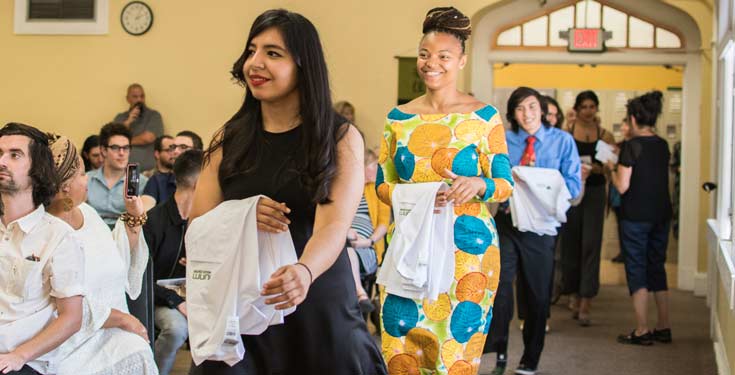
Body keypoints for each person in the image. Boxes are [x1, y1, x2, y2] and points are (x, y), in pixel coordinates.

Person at [188, 9, 385, 374]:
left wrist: (304, 272)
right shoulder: (227, 140)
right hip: (246, 300)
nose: (255, 63)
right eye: (251, 50)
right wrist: (242, 214)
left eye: (272, 53)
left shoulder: (338, 139)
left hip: (316, 292)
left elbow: (332, 226)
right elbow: (199, 221)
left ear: (303, 65)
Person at [376, 7, 513, 375]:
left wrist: (479, 184)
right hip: (409, 243)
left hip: (467, 250)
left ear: (461, 61)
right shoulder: (398, 119)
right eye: (424, 55)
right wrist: (417, 195)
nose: (431, 63)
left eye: (443, 56)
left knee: (453, 353)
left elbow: (504, 183)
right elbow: (382, 185)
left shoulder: (483, 117)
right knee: (400, 345)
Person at [483, 87, 582, 375]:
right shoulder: (504, 141)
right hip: (507, 222)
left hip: (541, 227)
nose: (526, 114)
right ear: (512, 113)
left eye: (532, 107)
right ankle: (499, 350)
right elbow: (491, 179)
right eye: (520, 108)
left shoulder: (562, 141)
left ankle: (531, 356)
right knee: (499, 287)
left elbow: (574, 186)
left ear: (542, 109)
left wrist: (540, 183)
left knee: (537, 294)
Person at [46, 135, 157, 375]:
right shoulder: (45, 230)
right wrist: (121, 318)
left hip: (110, 331)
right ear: (66, 184)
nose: (88, 181)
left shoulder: (87, 212)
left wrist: (133, 216)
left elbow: (118, 258)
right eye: (83, 174)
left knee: (138, 351)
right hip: (68, 339)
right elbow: (51, 303)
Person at [0, 123, 84, 375]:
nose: (2, 161)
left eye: (14, 155)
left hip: (23, 360)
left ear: (37, 169)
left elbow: (71, 318)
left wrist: (18, 356)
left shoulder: (58, 237)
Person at [608, 91, 673, 346]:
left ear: (633, 119)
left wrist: (611, 169)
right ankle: (664, 326)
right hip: (661, 213)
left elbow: (622, 186)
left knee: (637, 269)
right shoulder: (662, 145)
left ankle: (642, 329)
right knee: (657, 267)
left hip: (635, 216)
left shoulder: (631, 146)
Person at [144, 149, 203, 375]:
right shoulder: (153, 222)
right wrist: (176, 301)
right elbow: (141, 279)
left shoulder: (208, 219)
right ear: (198, 183)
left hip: (198, 296)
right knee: (177, 329)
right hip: (161, 298)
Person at [560, 90, 615, 326]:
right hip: (572, 193)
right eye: (584, 106)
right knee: (571, 243)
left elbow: (610, 168)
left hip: (594, 192)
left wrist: (595, 169)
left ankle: (586, 299)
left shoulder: (605, 135)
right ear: (577, 109)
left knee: (591, 244)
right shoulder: (567, 133)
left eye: (592, 106)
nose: (588, 110)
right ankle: (572, 291)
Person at [87, 123, 149, 227]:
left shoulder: (142, 182)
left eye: (126, 148)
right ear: (103, 150)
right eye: (115, 147)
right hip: (92, 233)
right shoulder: (87, 179)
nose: (122, 153)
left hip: (126, 233)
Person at [113, 83, 164, 171]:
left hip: (149, 170)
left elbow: (148, 138)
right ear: (128, 99)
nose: (139, 99)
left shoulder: (154, 115)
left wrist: (125, 143)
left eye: (142, 96)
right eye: (135, 97)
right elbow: (114, 141)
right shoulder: (120, 118)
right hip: (125, 170)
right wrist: (128, 121)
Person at [610, 117, 633, 264]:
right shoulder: (619, 145)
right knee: (621, 223)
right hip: (617, 191)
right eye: (623, 124)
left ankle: (629, 253)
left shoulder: (632, 147)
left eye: (627, 124)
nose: (624, 128)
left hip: (628, 191)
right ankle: (624, 251)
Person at [142, 135, 176, 206]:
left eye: (174, 149)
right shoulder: (145, 177)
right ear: (157, 154)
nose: (174, 153)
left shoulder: (178, 178)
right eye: (169, 150)